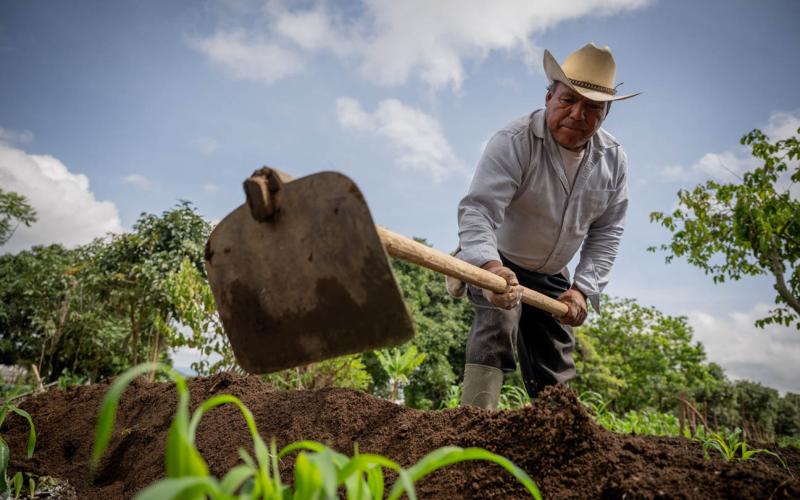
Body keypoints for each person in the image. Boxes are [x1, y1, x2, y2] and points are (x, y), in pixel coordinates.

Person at [453, 43, 640, 409]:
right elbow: (479, 210)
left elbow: (608, 231)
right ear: (549, 95)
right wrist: (490, 270)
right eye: (568, 100)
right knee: (498, 325)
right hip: (502, 258)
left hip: (553, 271)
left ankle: (558, 441)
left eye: (592, 107)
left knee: (556, 364)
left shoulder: (613, 160)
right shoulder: (515, 140)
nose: (577, 114)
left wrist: (582, 290)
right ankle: (471, 428)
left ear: (606, 113)